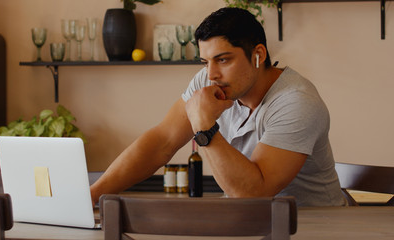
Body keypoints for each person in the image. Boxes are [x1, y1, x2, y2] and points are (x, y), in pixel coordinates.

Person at [90, 7, 345, 207]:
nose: (211, 74)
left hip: (313, 224)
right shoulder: (210, 80)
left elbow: (252, 194)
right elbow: (162, 141)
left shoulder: (297, 101)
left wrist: (204, 126)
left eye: (223, 60)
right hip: (251, 219)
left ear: (259, 54)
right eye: (205, 62)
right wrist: (92, 195)